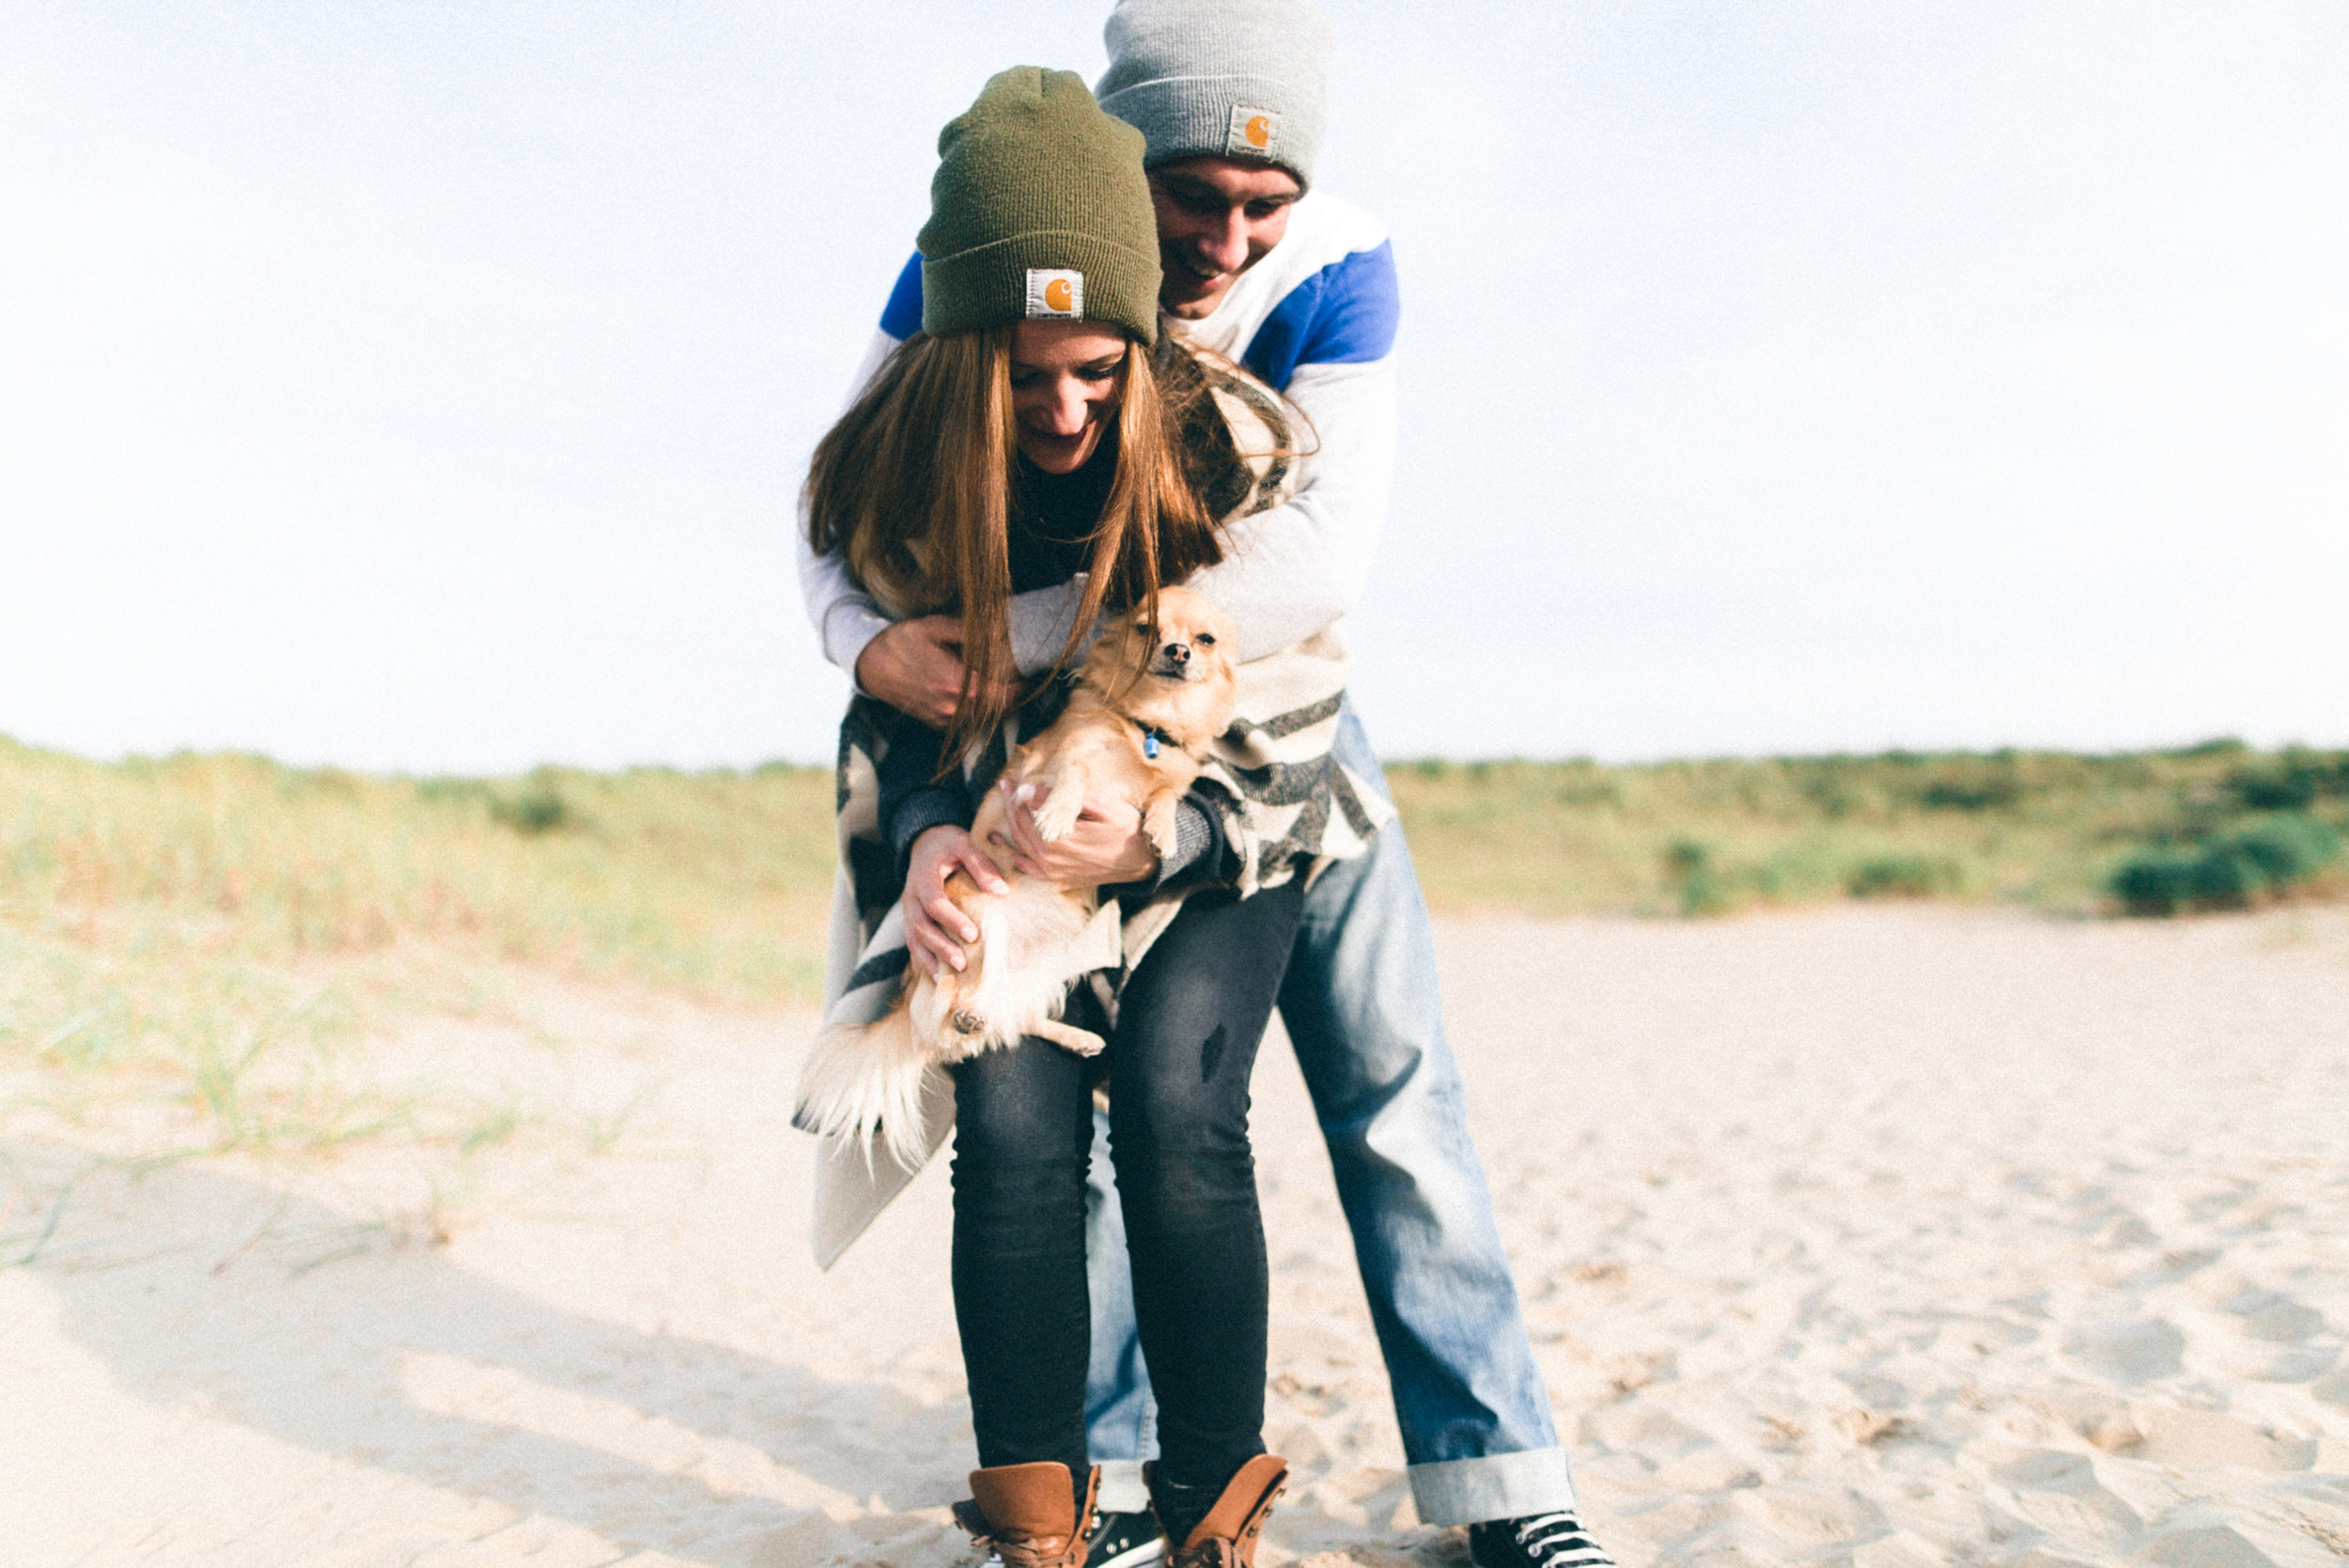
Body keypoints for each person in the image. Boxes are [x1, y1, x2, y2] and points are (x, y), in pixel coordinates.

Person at [799, 7, 1619, 1568]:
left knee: (1389, 1089)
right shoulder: (988, 260)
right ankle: (1088, 1483)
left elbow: (1314, 568)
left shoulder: (1332, 273)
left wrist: (1033, 660)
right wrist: (872, 646)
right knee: (1057, 1105)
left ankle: (1504, 1477)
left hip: (1268, 711)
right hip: (1014, 747)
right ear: (1122, 159)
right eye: (1194, 195)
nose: (1232, 238)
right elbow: (847, 517)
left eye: (1266, 199)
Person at [801, 65, 1390, 1568]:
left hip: (1216, 817)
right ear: (964, 361)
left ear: (1140, 347)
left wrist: (1158, 841)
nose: (1065, 408)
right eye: (1025, 373)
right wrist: (933, 836)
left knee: (1187, 1113)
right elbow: (901, 679)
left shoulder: (1233, 456)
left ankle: (1210, 1520)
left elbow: (1296, 710)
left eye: (1097, 370)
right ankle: (1038, 1528)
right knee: (1007, 1126)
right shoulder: (915, 473)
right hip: (1006, 827)